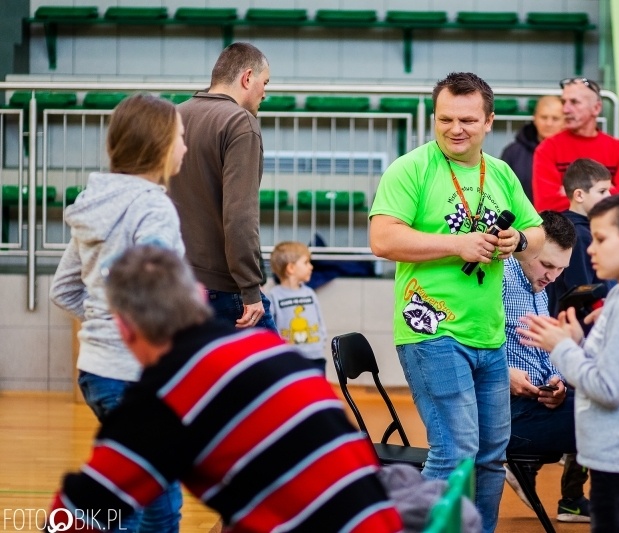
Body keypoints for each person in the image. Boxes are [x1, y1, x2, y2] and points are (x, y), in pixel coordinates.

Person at [47, 245, 404, 533]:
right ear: (200, 296)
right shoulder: (269, 347)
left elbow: (76, 514)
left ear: (124, 329)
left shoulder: (167, 397)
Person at [369, 71, 545, 533]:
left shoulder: (502, 172)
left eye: (467, 119)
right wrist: (458, 245)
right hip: (431, 332)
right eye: (445, 119)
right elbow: (382, 239)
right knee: (455, 453)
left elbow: (539, 233)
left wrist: (518, 238)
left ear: (490, 121)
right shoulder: (411, 168)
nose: (455, 129)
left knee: (490, 456)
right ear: (434, 118)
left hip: (488, 335)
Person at [49, 93, 188, 533]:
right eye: (181, 137)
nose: (185, 146)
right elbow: (155, 283)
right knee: (159, 507)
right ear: (162, 145)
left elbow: (63, 288)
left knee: (134, 490)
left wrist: (107, 327)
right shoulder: (152, 205)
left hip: (95, 370)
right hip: (132, 375)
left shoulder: (97, 202)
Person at [518, 192, 619, 533]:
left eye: (600, 239)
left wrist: (562, 350)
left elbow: (609, 387)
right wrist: (579, 344)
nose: (589, 249)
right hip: (618, 453)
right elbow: (614, 362)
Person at [168, 41, 276, 331]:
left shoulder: (172, 116)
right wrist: (251, 289)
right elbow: (240, 216)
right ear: (247, 77)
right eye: (265, 83)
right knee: (275, 374)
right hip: (225, 289)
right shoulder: (240, 122)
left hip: (178, 283)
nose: (265, 93)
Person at [502, 210, 592, 523]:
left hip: (535, 403)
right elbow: (464, 344)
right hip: (508, 416)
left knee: (612, 407)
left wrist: (555, 380)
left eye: (560, 269)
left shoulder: (537, 284)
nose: (552, 277)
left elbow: (541, 353)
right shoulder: (497, 277)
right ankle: (613, 509)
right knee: (615, 416)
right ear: (527, 246)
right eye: (548, 265)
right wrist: (503, 373)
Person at [532, 77, 619, 212]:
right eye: (563, 102)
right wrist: (607, 191)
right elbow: (547, 205)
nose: (565, 109)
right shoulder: (547, 149)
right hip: (568, 232)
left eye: (574, 102)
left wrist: (571, 194)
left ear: (596, 108)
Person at [546, 158, 612, 318]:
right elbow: (580, 290)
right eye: (602, 191)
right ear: (579, 195)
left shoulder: (576, 227)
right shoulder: (579, 234)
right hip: (580, 325)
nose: (609, 196)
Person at [267, 241, 328, 375]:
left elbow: (319, 319)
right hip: (289, 359)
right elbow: (270, 327)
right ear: (291, 268)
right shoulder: (274, 296)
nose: (311, 267)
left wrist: (321, 340)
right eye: (306, 262)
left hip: (315, 356)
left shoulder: (310, 293)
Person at [500, 95, 564, 203]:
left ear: (565, 121)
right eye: (544, 117)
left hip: (563, 218)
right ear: (534, 118)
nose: (549, 123)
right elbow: (501, 190)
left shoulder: (573, 152)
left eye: (555, 118)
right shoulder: (513, 152)